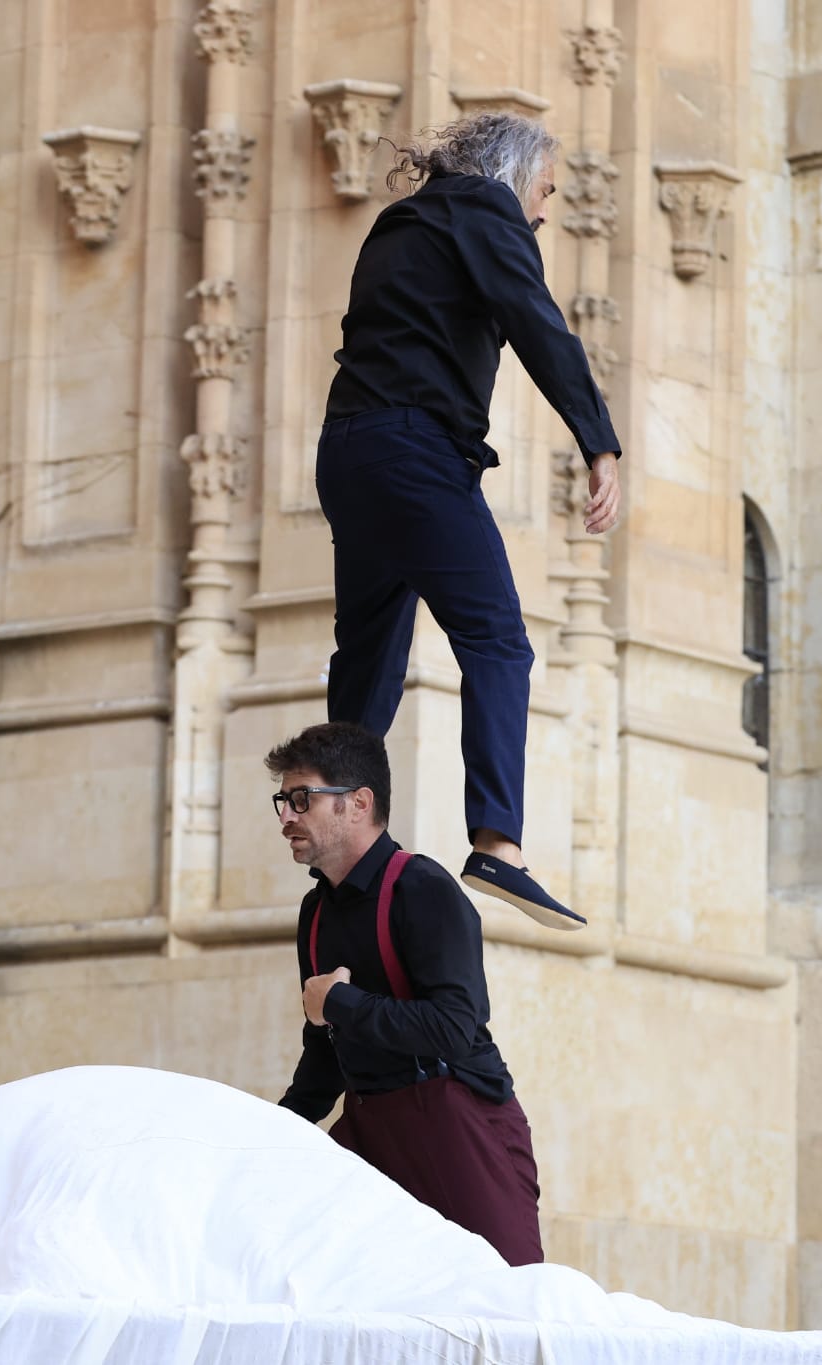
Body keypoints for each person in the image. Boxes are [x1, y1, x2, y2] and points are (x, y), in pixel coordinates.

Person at [316, 111, 622, 931]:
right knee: (497, 640)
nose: (545, 211)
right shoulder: (486, 209)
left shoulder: (402, 222)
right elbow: (535, 320)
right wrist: (598, 442)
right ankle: (497, 842)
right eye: (545, 191)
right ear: (511, 176)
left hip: (347, 455)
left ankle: (334, 840)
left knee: (369, 661)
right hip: (417, 456)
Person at [269, 721, 543, 1266]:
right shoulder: (315, 912)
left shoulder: (423, 888)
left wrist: (341, 1004)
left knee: (504, 1299)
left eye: (302, 799)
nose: (287, 818)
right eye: (283, 801)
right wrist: (269, 1132)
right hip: (370, 1131)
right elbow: (325, 1053)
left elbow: (453, 1028)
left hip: (461, 1126)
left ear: (358, 803)